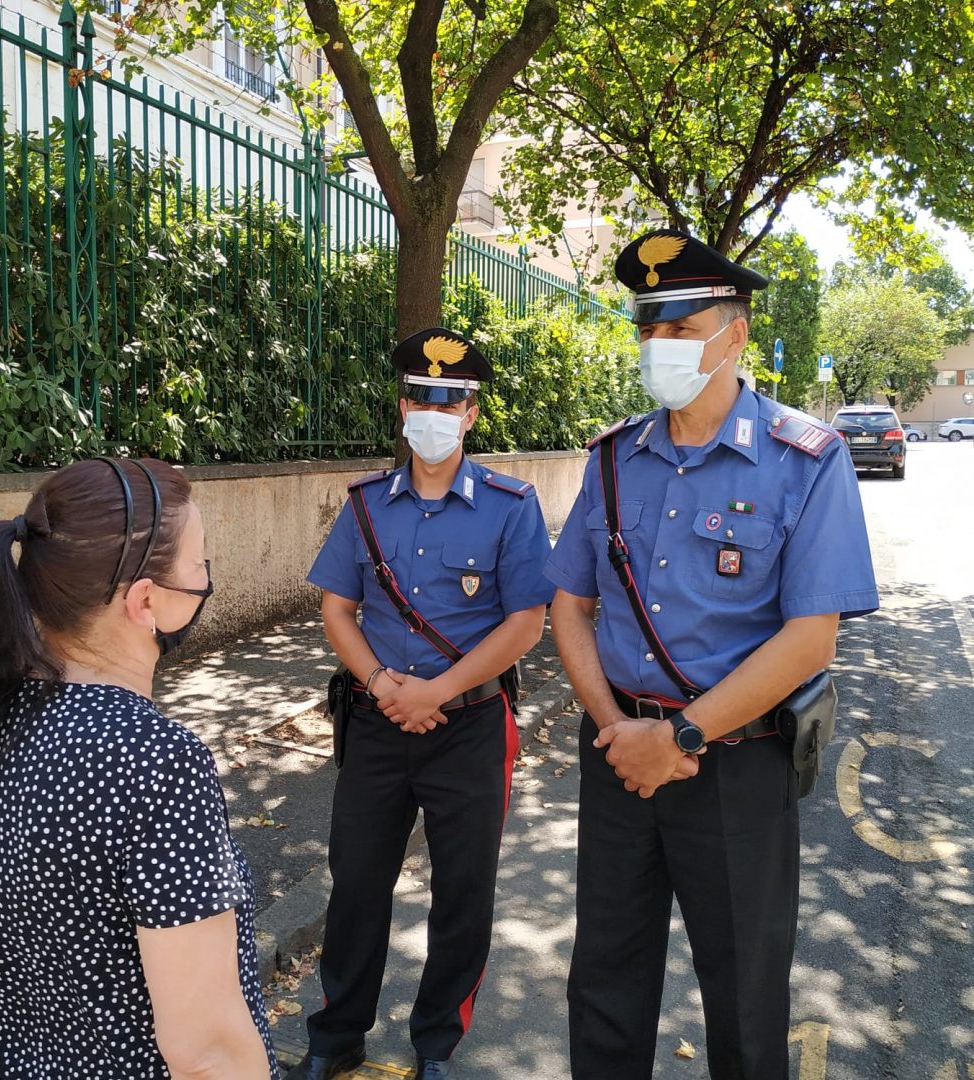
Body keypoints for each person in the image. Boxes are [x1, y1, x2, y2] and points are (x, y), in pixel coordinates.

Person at [545, 230, 880, 1079]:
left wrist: (681, 738)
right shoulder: (615, 459)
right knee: (606, 986)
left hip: (735, 766)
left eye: (680, 329)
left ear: (733, 335)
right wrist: (618, 727)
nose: (659, 349)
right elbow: (570, 606)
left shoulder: (805, 460)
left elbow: (812, 637)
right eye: (648, 331)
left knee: (743, 995)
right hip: (618, 757)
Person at [0, 457, 279, 1080]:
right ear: (146, 601)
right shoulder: (154, 760)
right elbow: (207, 1050)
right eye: (199, 563)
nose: (207, 578)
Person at [289, 328, 557, 1080]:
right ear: (403, 405)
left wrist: (434, 692)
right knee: (357, 886)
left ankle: (437, 1044)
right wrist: (380, 685)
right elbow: (336, 608)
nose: (433, 412)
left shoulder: (510, 505)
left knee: (462, 892)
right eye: (421, 398)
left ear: (471, 413)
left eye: (451, 401)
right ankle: (336, 1035)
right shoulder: (368, 504)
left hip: (469, 728)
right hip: (376, 725)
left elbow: (526, 623)